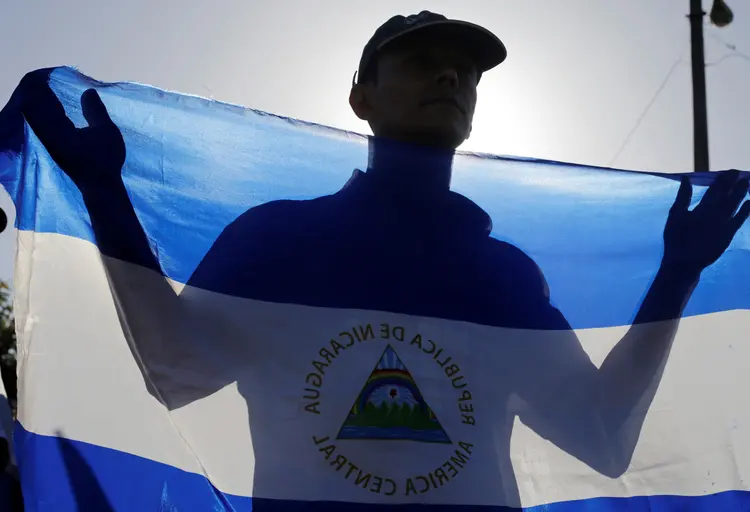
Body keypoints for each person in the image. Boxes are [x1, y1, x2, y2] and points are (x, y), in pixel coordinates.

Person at [21, 10, 749, 507]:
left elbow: (601, 435)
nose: (450, 79)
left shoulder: (501, 273)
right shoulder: (279, 239)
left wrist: (678, 272)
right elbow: (176, 369)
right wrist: (104, 195)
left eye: (465, 72)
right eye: (424, 63)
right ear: (360, 98)